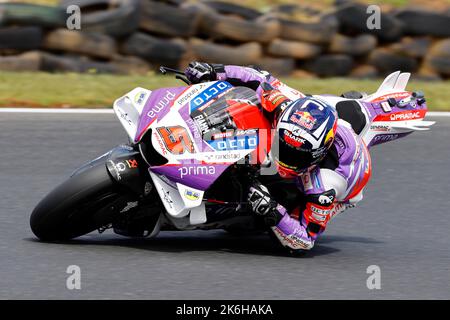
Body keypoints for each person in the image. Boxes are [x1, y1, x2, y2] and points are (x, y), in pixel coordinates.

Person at [184, 62, 372, 252]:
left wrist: (272, 209)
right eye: (283, 146)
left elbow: (304, 241)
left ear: (317, 155)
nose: (284, 159)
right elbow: (258, 77)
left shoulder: (324, 187)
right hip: (320, 121)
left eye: (295, 156)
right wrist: (214, 71)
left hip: (345, 181)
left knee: (277, 213)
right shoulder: (285, 107)